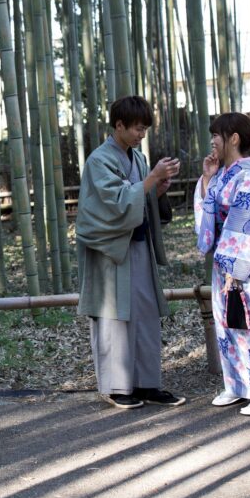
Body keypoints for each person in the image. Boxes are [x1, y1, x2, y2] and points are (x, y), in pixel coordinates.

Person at [76, 96, 185, 409]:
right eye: (138, 128)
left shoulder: (136, 159)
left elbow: (138, 199)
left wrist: (157, 189)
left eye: (145, 130)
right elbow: (112, 204)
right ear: (119, 125)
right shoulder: (99, 160)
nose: (142, 135)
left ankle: (147, 383)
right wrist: (150, 180)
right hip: (110, 252)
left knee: (145, 312)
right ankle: (117, 386)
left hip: (137, 247)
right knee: (115, 316)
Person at [194, 112, 250, 416]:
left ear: (233, 138)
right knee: (225, 324)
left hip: (241, 263)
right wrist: (208, 177)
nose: (212, 142)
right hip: (225, 261)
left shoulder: (246, 178)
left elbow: (246, 225)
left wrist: (235, 270)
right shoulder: (225, 174)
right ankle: (237, 386)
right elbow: (210, 208)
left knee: (246, 324)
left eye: (216, 137)